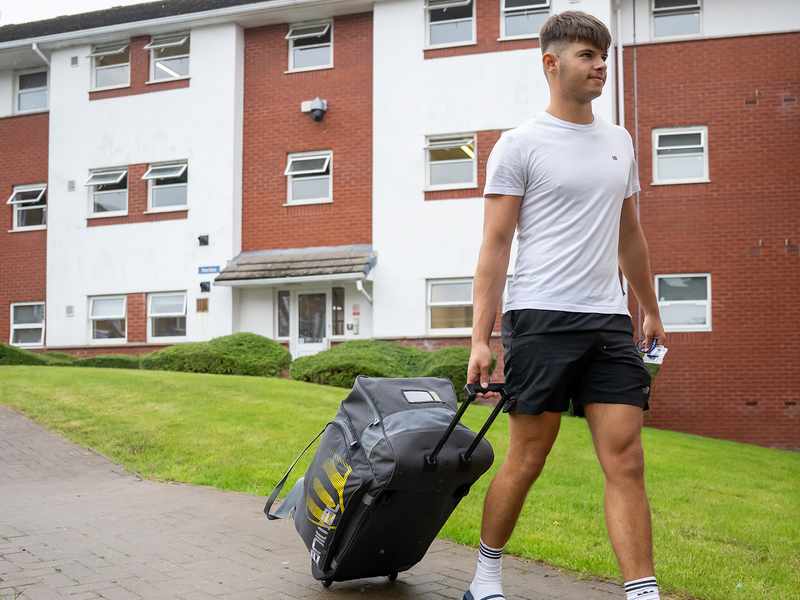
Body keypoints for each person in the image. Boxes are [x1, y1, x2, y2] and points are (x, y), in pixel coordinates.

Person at [464, 11, 666, 600]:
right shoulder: (520, 144)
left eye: (604, 56)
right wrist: (482, 337)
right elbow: (495, 245)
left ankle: (641, 591)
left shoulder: (619, 141)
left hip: (607, 320)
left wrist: (648, 308)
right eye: (587, 55)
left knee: (626, 458)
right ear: (551, 64)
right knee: (528, 457)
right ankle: (485, 574)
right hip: (540, 317)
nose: (601, 65)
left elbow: (630, 234)